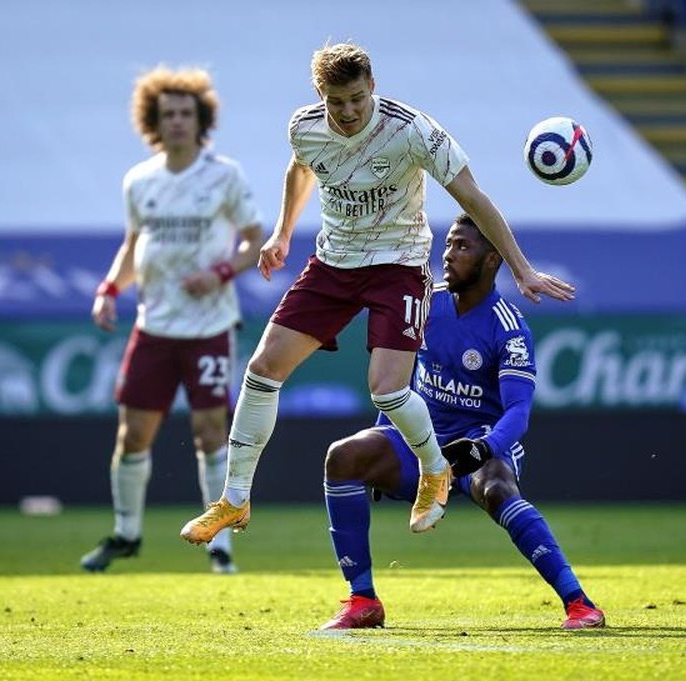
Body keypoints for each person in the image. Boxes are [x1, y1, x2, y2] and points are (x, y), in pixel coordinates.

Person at [180, 41, 575, 546]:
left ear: (372, 89)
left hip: (398, 265)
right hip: (334, 263)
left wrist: (521, 269)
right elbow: (301, 167)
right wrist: (282, 233)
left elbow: (474, 196)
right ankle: (233, 500)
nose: (346, 112)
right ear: (321, 96)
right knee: (261, 372)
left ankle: (435, 471)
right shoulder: (305, 127)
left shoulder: (412, 132)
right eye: (335, 102)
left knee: (386, 390)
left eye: (356, 100)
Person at [319, 214, 605, 630]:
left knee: (497, 488)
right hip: (420, 440)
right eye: (449, 245)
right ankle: (362, 600)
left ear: (492, 261)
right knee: (344, 457)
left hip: (479, 441)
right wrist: (382, 433)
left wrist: (484, 449)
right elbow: (395, 386)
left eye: (462, 247)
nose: (448, 256)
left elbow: (518, 413)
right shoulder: (424, 305)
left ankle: (579, 604)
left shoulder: (508, 328)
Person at [80, 66, 263, 573]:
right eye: (169, 115)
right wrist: (109, 289)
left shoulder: (225, 175)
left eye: (186, 113)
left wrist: (221, 270)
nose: (178, 122)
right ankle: (126, 533)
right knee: (132, 435)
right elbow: (135, 246)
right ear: (154, 122)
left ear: (201, 119)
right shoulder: (139, 180)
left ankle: (220, 543)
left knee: (209, 433)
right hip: (153, 326)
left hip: (208, 326)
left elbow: (254, 240)